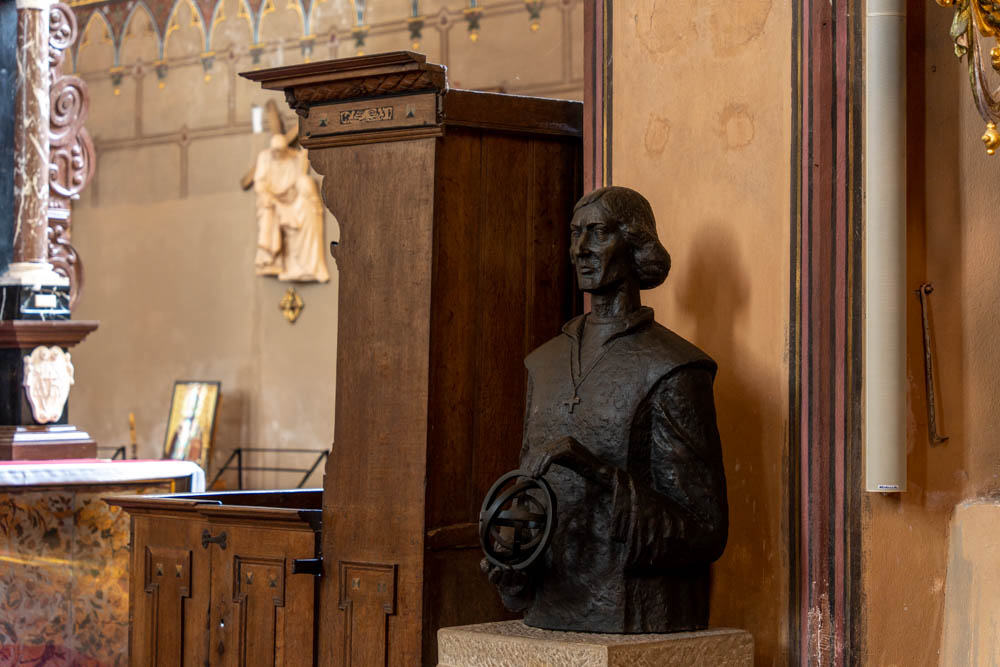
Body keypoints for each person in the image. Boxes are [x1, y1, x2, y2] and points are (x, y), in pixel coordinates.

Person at [483, 186, 728, 633]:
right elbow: (530, 493)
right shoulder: (545, 363)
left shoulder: (673, 367)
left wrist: (595, 470)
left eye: (597, 232)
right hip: (550, 605)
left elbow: (703, 529)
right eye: (575, 234)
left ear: (635, 243)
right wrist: (514, 558)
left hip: (630, 610)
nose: (580, 249)